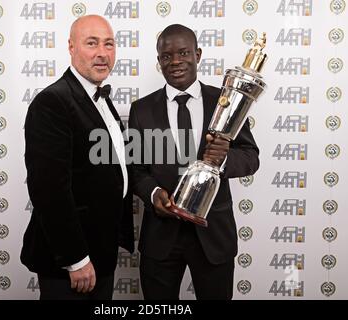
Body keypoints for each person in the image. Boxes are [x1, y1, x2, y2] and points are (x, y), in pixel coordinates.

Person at [128, 24, 259, 299]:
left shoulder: (225, 101)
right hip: (161, 238)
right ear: (159, 61)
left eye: (184, 52)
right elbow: (136, 169)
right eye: (166, 56)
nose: (175, 62)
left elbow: (250, 157)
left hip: (214, 236)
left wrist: (223, 158)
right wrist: (153, 195)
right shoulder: (141, 109)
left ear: (198, 54)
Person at [20, 15, 134, 300]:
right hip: (71, 262)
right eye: (91, 43)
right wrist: (76, 259)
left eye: (109, 44)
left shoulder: (100, 97)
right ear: (71, 48)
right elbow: (49, 190)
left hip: (101, 252)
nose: (102, 53)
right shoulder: (53, 102)